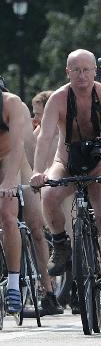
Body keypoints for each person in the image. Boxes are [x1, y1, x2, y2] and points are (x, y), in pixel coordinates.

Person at [30, 49, 101, 309]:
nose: (82, 75)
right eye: (76, 70)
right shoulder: (59, 99)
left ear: (96, 71)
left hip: (100, 164)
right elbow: (45, 136)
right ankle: (60, 242)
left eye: (87, 69)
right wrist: (38, 171)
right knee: (49, 195)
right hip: (66, 162)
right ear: (67, 72)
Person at [0, 82, 26, 314]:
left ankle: (14, 283)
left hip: (7, 158)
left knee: (8, 215)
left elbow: (18, 144)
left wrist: (9, 181)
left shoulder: (11, 103)